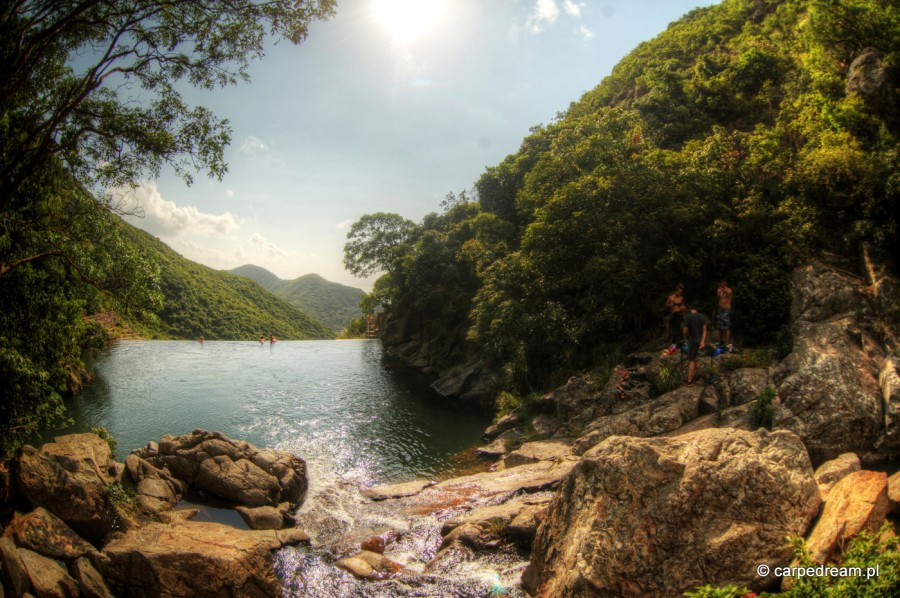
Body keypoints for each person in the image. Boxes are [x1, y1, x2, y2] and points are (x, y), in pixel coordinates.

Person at [682, 306, 707, 386]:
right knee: (697, 357)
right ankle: (700, 375)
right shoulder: (701, 316)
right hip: (700, 341)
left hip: (692, 341)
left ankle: (689, 381)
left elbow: (685, 331)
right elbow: (704, 330)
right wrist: (702, 341)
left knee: (691, 360)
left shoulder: (688, 317)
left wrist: (687, 336)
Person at [665, 283, 686, 348]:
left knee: (680, 329)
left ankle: (680, 344)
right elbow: (666, 305)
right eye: (679, 292)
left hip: (679, 314)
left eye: (681, 292)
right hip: (673, 315)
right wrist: (670, 305)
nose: (680, 293)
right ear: (676, 291)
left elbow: (683, 305)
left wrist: (683, 308)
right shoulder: (671, 297)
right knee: (673, 330)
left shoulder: (681, 298)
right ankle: (673, 345)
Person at [715, 279, 733, 347]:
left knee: (726, 327)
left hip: (726, 310)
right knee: (720, 327)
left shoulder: (729, 290)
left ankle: (727, 343)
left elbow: (728, 294)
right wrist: (721, 289)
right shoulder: (719, 290)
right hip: (720, 310)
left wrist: (724, 289)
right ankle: (721, 341)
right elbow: (719, 296)